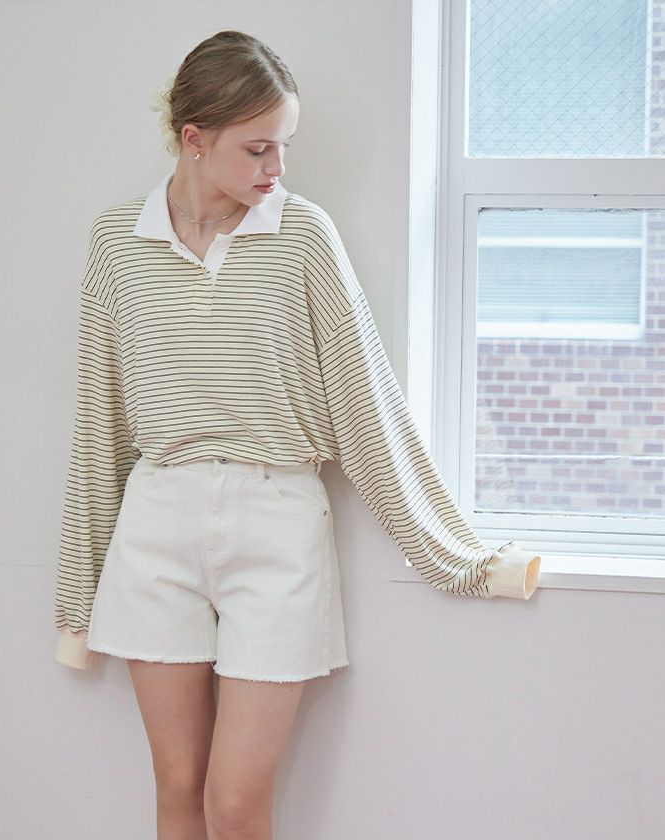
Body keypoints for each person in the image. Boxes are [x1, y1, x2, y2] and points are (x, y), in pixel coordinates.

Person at [54, 29, 542, 840]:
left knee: (235, 805)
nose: (276, 168)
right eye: (257, 149)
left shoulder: (303, 235)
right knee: (177, 789)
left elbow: (364, 401)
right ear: (193, 138)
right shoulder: (117, 242)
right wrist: (77, 600)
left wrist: (455, 557)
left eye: (284, 145)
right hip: (155, 520)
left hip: (275, 520)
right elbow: (99, 421)